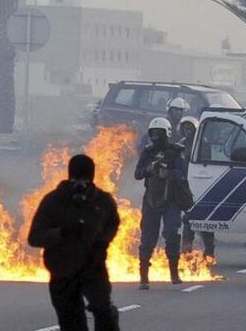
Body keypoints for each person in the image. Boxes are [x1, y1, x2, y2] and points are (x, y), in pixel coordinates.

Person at [28, 154, 120, 331]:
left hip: (93, 268)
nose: (80, 183)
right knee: (71, 321)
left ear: (92, 178)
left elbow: (113, 223)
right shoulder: (53, 201)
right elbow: (35, 237)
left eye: (85, 178)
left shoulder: (102, 201)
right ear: (69, 177)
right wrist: (61, 232)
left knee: (104, 313)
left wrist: (102, 242)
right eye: (76, 178)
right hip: (63, 270)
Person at [135, 117, 187, 289]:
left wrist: (168, 173)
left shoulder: (175, 152)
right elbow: (138, 174)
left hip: (171, 199)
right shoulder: (148, 152)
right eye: (153, 133)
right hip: (151, 199)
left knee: (171, 233)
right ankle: (143, 278)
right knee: (148, 237)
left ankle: (174, 273)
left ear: (167, 133)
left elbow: (182, 174)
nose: (156, 136)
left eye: (159, 133)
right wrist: (150, 169)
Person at [178, 117, 216, 258]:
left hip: (201, 183)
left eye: (190, 128)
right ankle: (186, 251)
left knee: (205, 219)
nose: (187, 131)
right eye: (185, 128)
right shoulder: (180, 145)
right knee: (188, 219)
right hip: (186, 185)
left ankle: (209, 251)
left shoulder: (203, 145)